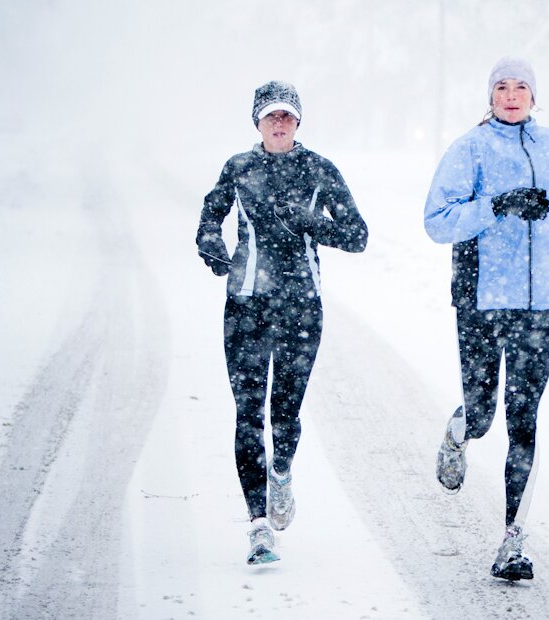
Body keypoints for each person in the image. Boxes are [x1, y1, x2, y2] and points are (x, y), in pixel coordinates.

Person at [423, 57, 549, 581]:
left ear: (535, 96)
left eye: (522, 87)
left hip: (540, 305)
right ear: (489, 96)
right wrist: (498, 204)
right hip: (481, 298)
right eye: (502, 87)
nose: (512, 95)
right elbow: (436, 221)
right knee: (483, 413)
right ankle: (459, 434)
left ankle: (512, 543)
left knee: (525, 420)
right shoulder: (469, 149)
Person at [196, 81, 368, 565]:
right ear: (257, 122)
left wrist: (312, 222)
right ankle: (257, 526)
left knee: (284, 414)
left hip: (300, 308)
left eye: (287, 117)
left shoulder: (319, 169)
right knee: (248, 414)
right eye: (270, 116)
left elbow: (358, 236)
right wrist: (211, 244)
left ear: (298, 123)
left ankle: (282, 474)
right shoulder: (238, 168)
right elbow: (209, 218)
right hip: (246, 306)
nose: (278, 123)